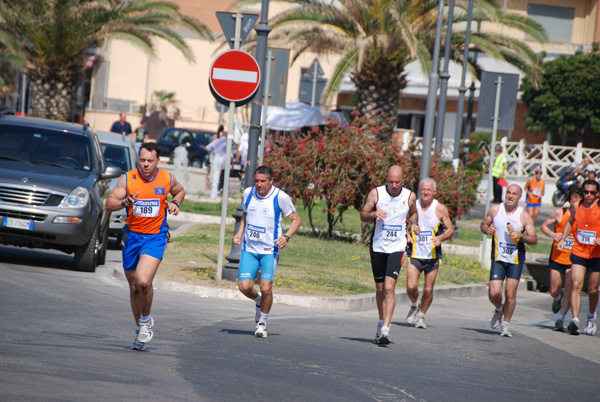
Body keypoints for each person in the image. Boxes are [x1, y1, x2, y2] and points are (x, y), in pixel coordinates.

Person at [105, 142, 185, 351]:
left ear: (158, 161)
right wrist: (125, 203)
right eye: (142, 160)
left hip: (155, 237)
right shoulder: (129, 178)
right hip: (132, 237)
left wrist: (176, 202)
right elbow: (109, 203)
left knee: (143, 281)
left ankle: (146, 319)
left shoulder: (166, 178)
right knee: (133, 287)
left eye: (150, 160)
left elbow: (180, 191)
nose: (146, 164)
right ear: (138, 160)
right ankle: (141, 329)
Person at [233, 165, 301, 338]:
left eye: (263, 181)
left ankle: (262, 322)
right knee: (244, 287)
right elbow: (245, 215)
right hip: (250, 248)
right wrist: (240, 232)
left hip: (270, 250)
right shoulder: (249, 193)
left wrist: (286, 237)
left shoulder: (280, 197)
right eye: (257, 181)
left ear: (271, 181)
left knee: (266, 288)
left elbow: (296, 220)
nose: (259, 184)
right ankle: (258, 302)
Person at [360, 165, 417, 344]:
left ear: (403, 180)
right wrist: (373, 213)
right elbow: (363, 215)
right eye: (391, 181)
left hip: (397, 246)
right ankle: (380, 321)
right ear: (386, 179)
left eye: (397, 182)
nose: (393, 185)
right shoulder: (376, 194)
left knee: (389, 287)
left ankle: (386, 329)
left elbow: (413, 214)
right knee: (379, 289)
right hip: (378, 246)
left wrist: (413, 224)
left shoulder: (409, 196)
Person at [480, 184, 538, 337]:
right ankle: (499, 309)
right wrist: (487, 230)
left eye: (514, 194)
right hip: (498, 258)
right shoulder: (495, 210)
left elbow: (534, 239)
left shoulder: (524, 215)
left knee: (510, 293)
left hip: (515, 260)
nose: (510, 196)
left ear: (519, 197)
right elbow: (484, 224)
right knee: (493, 293)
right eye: (508, 193)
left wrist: (522, 237)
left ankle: (506, 324)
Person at [405, 178, 454, 329]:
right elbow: (401, 222)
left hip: (432, 256)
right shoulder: (413, 206)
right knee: (411, 286)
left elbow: (450, 229)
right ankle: (414, 305)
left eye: (429, 190)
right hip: (415, 253)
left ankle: (422, 315)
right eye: (423, 189)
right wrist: (407, 234)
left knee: (428, 289)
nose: (426, 192)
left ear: (434, 192)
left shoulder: (439, 208)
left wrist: (440, 237)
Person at [557, 179, 600, 336]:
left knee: (593, 289)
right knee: (576, 284)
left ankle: (590, 316)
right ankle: (575, 320)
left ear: (598, 194)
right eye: (585, 192)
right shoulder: (577, 206)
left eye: (592, 193)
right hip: (579, 251)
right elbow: (570, 221)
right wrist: (562, 238)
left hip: (596, 253)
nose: (588, 195)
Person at [540, 186, 583, 331]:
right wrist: (553, 235)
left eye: (577, 196)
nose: (574, 198)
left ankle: (561, 320)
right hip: (557, 257)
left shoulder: (583, 216)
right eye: (572, 195)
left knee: (571, 288)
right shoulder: (560, 213)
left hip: (573, 259)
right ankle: (557, 298)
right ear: (568, 198)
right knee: (553, 289)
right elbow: (544, 226)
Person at [206, 130, 227, 198]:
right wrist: (232, 164)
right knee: (222, 178)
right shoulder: (226, 141)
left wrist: (213, 153)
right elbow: (231, 155)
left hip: (216, 161)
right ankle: (220, 192)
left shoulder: (218, 141)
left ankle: (214, 191)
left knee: (215, 175)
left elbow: (208, 147)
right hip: (223, 163)